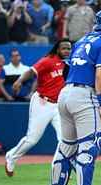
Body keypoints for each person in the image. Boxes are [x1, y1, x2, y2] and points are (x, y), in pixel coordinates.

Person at [48, 9, 101, 185]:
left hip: (66, 93)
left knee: (66, 147)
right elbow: (100, 74)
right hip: (85, 96)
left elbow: (66, 70)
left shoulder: (81, 40)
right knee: (89, 147)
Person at [5, 38, 71, 177]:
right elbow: (31, 71)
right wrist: (19, 81)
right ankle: (11, 156)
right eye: (64, 48)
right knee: (32, 139)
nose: (66, 51)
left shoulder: (68, 64)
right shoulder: (48, 60)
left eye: (69, 48)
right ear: (57, 49)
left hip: (58, 106)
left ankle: (59, 169)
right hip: (42, 102)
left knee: (64, 139)